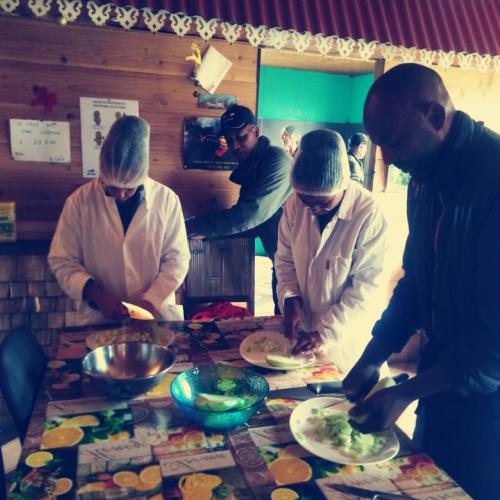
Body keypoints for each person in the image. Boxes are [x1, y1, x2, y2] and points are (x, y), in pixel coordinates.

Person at [343, 63, 500, 499]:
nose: (388, 159)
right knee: (428, 484)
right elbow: (415, 285)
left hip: (491, 397)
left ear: (434, 116)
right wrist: (374, 355)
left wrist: (406, 391)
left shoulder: (495, 180)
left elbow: (495, 345)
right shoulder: (425, 181)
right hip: (443, 373)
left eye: (393, 141)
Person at [48, 116, 190, 325]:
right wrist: (96, 294)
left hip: (155, 317)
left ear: (142, 175)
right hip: (99, 319)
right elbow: (62, 261)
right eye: (111, 188)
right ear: (102, 174)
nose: (120, 196)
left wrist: (151, 301)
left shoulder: (167, 200)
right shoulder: (79, 202)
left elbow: (177, 260)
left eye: (129, 189)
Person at [275, 129, 387, 373]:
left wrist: (325, 333)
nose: (312, 209)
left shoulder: (368, 214)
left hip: (346, 342)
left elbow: (366, 288)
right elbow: (285, 260)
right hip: (303, 333)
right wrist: (290, 297)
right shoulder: (294, 205)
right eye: (306, 200)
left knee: (341, 404)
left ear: (342, 186)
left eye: (322, 202)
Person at [186, 105, 292, 314]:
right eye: (230, 139)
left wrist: (196, 226)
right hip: (281, 264)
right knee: (282, 327)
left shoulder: (276, 160)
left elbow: (249, 215)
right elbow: (249, 226)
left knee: (297, 333)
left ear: (256, 132)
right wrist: (205, 235)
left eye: (241, 137)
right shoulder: (252, 167)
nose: (235, 145)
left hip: (298, 266)